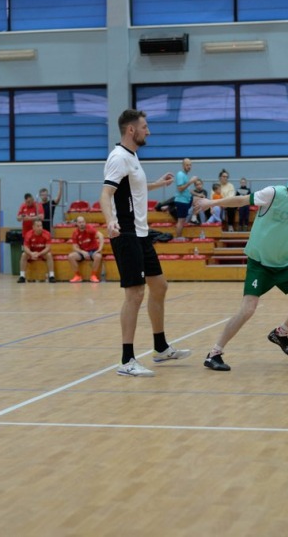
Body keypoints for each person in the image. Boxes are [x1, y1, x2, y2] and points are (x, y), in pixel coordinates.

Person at [193, 164, 288, 371]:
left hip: (285, 263)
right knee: (247, 310)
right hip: (260, 264)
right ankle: (214, 354)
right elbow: (241, 200)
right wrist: (211, 202)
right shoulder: (273, 194)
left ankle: (281, 333)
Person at [99, 108, 191, 377]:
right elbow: (105, 194)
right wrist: (110, 221)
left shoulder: (132, 156)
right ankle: (127, 360)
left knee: (159, 286)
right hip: (126, 233)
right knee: (135, 294)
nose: (148, 131)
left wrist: (157, 185)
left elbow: (133, 188)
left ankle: (160, 348)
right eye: (144, 127)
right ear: (131, 130)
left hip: (141, 233)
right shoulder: (118, 157)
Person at [18, 219, 56, 283]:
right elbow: (25, 247)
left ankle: (51, 276)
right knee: (24, 255)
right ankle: (22, 276)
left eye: (41, 226)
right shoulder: (28, 234)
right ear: (33, 227)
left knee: (49, 255)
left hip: (42, 253)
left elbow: (48, 248)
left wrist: (39, 253)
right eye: (38, 226)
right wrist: (31, 253)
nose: (40, 228)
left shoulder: (47, 234)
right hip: (32, 253)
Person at [67, 215, 103, 283]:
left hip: (93, 251)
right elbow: (74, 247)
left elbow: (100, 235)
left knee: (98, 256)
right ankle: (77, 276)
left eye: (83, 222)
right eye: (80, 222)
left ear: (85, 222)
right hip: (82, 252)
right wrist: (83, 252)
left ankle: (93, 276)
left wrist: (100, 248)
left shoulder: (89, 228)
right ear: (77, 223)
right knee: (70, 256)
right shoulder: (75, 233)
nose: (82, 224)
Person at [173, 158, 198, 240]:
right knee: (181, 221)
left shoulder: (185, 175)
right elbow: (180, 189)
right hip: (181, 201)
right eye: (187, 165)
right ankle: (178, 237)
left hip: (186, 200)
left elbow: (187, 189)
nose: (189, 167)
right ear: (183, 165)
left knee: (198, 200)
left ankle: (194, 217)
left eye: (190, 165)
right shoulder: (180, 174)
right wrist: (191, 181)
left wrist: (198, 194)